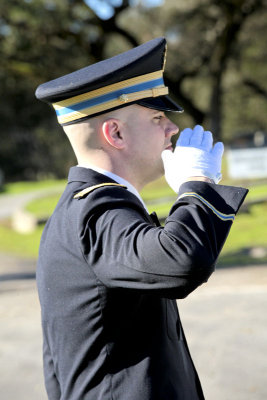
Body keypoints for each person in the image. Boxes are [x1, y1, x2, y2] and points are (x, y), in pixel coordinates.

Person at [35, 37, 247, 400]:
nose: (172, 129)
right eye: (157, 117)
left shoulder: (94, 206)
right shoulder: (96, 212)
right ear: (115, 133)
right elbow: (180, 261)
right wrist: (197, 184)